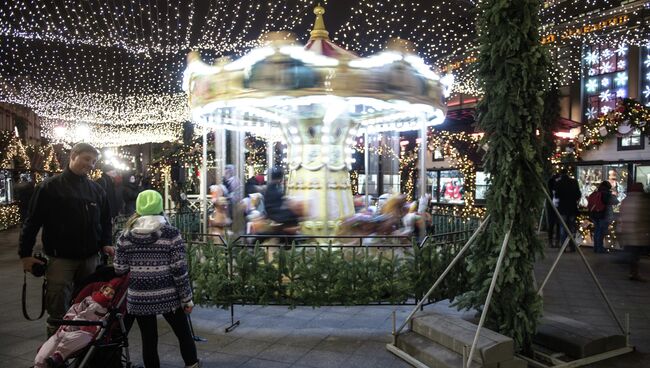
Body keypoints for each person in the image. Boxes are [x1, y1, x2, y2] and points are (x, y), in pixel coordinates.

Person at [19, 142, 113, 336]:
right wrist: (25, 254)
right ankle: (54, 350)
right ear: (73, 156)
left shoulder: (96, 190)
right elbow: (32, 222)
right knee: (58, 306)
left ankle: (80, 346)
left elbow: (105, 221)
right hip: (60, 258)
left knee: (87, 305)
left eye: (94, 161)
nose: (90, 164)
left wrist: (106, 243)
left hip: (90, 258)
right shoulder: (50, 187)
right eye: (86, 159)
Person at [114, 190, 200, 368]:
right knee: (183, 334)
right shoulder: (170, 233)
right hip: (169, 296)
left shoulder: (125, 236)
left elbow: (119, 268)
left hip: (139, 297)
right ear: (160, 207)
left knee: (149, 340)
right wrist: (187, 299)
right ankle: (192, 365)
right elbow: (179, 269)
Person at [34, 278, 121, 368]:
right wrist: (68, 320)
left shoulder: (107, 309)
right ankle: (41, 360)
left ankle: (58, 357)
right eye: (107, 291)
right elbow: (75, 309)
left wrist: (94, 327)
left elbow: (103, 323)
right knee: (44, 353)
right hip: (69, 327)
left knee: (83, 338)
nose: (108, 294)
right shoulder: (88, 299)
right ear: (102, 289)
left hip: (85, 332)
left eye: (111, 294)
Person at [616, 182, 649, 281]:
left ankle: (632, 271)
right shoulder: (642, 201)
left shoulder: (626, 200)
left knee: (632, 252)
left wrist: (619, 230)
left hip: (627, 231)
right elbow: (644, 217)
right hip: (637, 232)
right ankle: (634, 273)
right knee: (635, 254)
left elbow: (621, 216)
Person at [554, 169, 581, 252]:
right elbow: (578, 194)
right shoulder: (574, 182)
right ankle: (572, 246)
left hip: (562, 208)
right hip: (572, 208)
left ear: (561, 174)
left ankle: (563, 247)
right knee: (572, 227)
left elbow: (557, 195)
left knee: (563, 228)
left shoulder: (558, 183)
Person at [591, 180, 619, 254]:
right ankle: (600, 248)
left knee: (597, 231)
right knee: (601, 232)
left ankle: (596, 248)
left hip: (594, 214)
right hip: (603, 215)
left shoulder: (596, 192)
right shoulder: (607, 194)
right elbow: (616, 201)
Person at [546, 172, 562, 248]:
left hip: (551, 207)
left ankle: (551, 241)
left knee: (552, 225)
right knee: (557, 225)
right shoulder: (558, 184)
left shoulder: (550, 184)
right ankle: (557, 241)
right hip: (557, 207)